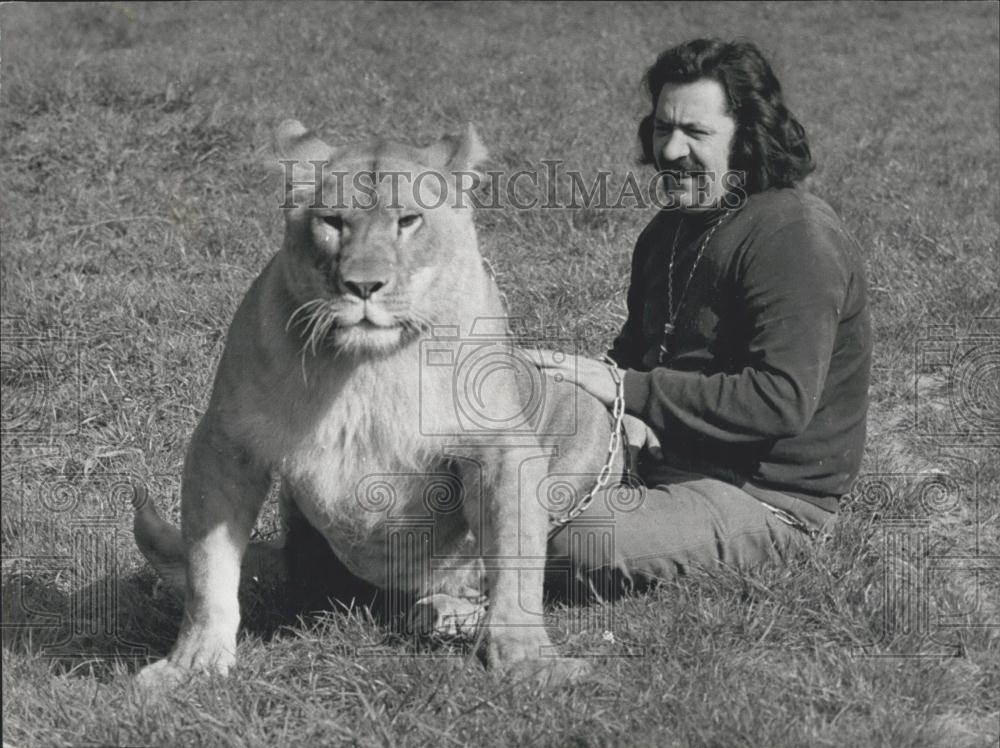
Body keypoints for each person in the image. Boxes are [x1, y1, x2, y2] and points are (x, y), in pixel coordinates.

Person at [537, 38, 872, 597]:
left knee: (580, 543)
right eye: (663, 129)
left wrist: (628, 390)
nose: (670, 151)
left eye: (695, 133)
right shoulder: (666, 231)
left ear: (747, 138)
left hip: (762, 494)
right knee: (495, 477)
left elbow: (779, 400)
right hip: (661, 457)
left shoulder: (794, 237)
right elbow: (636, 353)